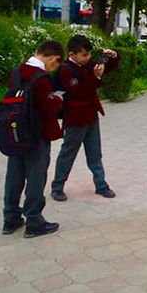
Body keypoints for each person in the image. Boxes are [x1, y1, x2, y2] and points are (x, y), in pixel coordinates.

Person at [3, 40, 64, 238]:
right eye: (55, 65)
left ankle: (10, 218)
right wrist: (57, 100)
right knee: (36, 177)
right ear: (54, 59)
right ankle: (34, 220)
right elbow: (48, 108)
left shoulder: (17, 71)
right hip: (36, 135)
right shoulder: (40, 78)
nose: (53, 69)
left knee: (14, 175)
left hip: (15, 133)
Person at [51, 35, 120, 201]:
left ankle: (101, 185)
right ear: (72, 54)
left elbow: (106, 68)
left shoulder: (87, 65)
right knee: (68, 154)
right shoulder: (66, 70)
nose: (88, 58)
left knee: (95, 153)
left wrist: (113, 57)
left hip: (91, 116)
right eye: (84, 55)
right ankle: (57, 187)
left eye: (89, 54)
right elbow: (79, 92)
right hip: (75, 118)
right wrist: (95, 77)